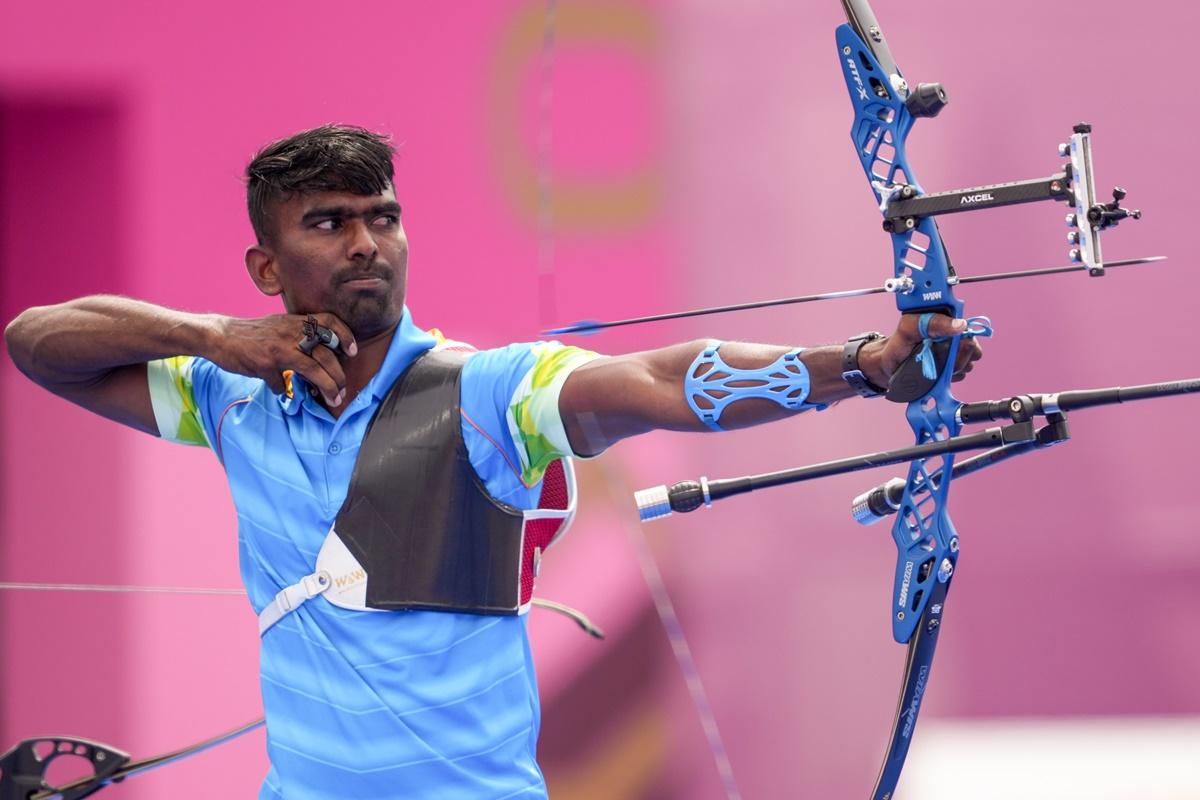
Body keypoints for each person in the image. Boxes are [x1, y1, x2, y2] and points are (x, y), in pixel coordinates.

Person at [3, 125, 981, 799]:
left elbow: (657, 379)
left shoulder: (488, 390)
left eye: (381, 215)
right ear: (267, 266)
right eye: (328, 222)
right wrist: (222, 339)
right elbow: (38, 340)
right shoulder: (234, 399)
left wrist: (861, 366)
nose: (365, 242)